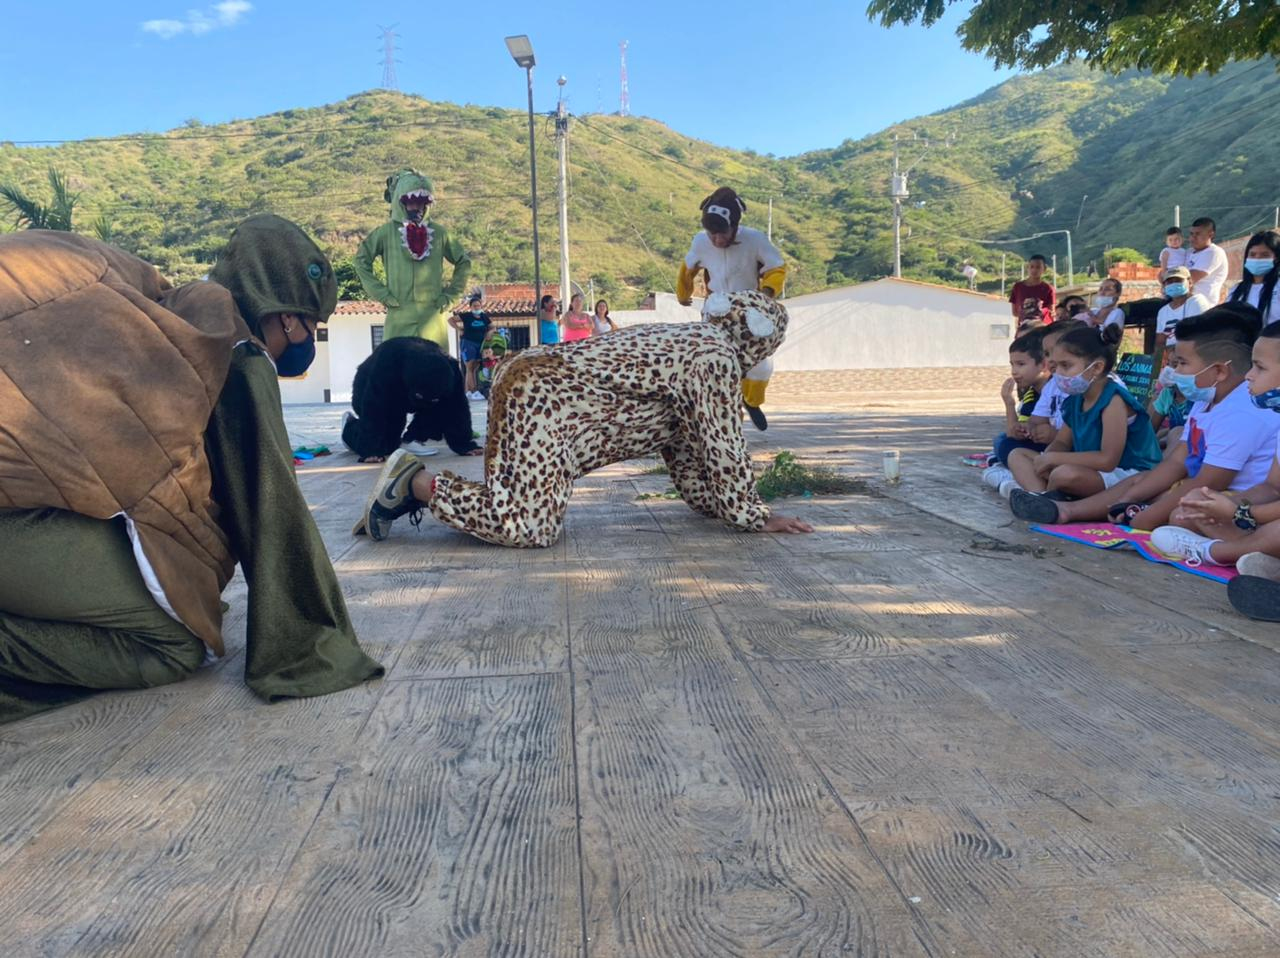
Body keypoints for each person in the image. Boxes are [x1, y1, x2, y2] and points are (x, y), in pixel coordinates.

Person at [0, 216, 383, 724]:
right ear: (289, 319)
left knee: (182, 592)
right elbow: (271, 508)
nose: (308, 339)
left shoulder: (161, 309)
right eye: (314, 326)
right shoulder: (240, 355)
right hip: (15, 522)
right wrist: (306, 638)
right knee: (177, 644)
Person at [355, 290, 814, 547]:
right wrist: (754, 513)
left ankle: (416, 487)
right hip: (542, 397)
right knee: (529, 526)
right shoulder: (713, 357)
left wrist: (720, 507)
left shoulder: (692, 343)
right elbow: (724, 446)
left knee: (515, 506)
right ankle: (415, 483)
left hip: (533, 384)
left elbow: (691, 457)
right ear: (758, 344)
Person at [1011, 306, 1276, 528]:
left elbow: (1208, 482)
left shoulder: (1242, 411)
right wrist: (1127, 500)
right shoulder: (1208, 398)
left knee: (1179, 513)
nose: (1174, 371)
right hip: (1201, 488)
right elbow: (1176, 462)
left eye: (1182, 364)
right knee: (1140, 482)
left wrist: (1143, 519)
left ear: (1218, 371)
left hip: (1231, 498)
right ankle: (1065, 510)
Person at [1145, 322, 1280, 617]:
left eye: (1259, 367)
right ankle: (1264, 565)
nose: (1249, 375)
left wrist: (1239, 513)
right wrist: (1227, 504)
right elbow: (1273, 488)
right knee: (1189, 515)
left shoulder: (1245, 414)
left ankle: (1213, 553)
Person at [1005, 324, 1161, 513]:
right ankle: (1044, 498)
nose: (1057, 373)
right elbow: (1062, 440)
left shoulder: (1113, 401)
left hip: (1129, 474)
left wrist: (1055, 460)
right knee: (1017, 455)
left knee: (1065, 474)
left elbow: (1107, 460)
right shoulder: (1076, 399)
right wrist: (1048, 457)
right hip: (1093, 471)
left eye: (1066, 366)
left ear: (1096, 367)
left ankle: (1048, 498)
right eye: (1056, 365)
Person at [676, 186, 786, 431]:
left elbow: (777, 267)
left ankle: (752, 401)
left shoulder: (755, 239)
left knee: (761, 362)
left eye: (722, 233)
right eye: (711, 233)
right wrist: (683, 293)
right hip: (716, 308)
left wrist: (767, 293)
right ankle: (716, 411)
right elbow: (688, 269)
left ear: (734, 225)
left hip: (749, 308)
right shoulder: (700, 241)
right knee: (713, 359)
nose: (717, 239)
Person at [354, 169, 471, 348]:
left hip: (433, 316)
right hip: (399, 314)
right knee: (394, 366)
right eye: (412, 203)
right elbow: (361, 260)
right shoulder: (385, 233)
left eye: (422, 203)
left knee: (435, 366)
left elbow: (463, 261)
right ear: (400, 202)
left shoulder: (440, 234)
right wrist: (382, 294)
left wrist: (450, 296)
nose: (418, 208)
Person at [341, 337, 482, 464]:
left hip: (416, 390)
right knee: (387, 445)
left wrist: (464, 444)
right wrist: (370, 450)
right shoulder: (388, 364)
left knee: (440, 408)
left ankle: (412, 438)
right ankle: (349, 428)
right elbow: (373, 408)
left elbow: (458, 408)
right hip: (368, 387)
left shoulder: (451, 368)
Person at [983, 328, 1051, 492]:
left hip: (1054, 450)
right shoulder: (1032, 394)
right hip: (1040, 448)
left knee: (1004, 444)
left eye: (1021, 364)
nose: (1014, 371)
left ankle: (1016, 474)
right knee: (1002, 441)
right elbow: (1014, 432)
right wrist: (1009, 403)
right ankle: (1015, 470)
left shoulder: (1054, 390)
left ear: (1043, 365)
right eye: (1012, 365)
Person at [1225, 229, 1280, 327]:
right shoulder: (1236, 290)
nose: (1257, 259)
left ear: (1276, 258)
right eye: (1253, 254)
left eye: (1265, 255)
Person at [1154, 266, 1213, 355]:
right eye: (1169, 282)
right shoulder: (1163, 311)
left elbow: (1198, 337)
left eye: (1178, 280)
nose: (1173, 284)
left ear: (1189, 282)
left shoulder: (1197, 302)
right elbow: (1160, 342)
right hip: (1170, 358)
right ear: (1164, 285)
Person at [449, 290, 490, 398]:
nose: (477, 307)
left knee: (474, 367)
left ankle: (468, 392)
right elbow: (451, 320)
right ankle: (474, 391)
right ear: (471, 307)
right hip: (468, 343)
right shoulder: (466, 316)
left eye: (478, 305)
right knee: (470, 365)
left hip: (479, 344)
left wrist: (489, 332)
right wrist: (459, 329)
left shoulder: (484, 317)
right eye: (474, 306)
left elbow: (492, 326)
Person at [1185, 216, 1229, 303]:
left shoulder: (1214, 252)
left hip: (1203, 306)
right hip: (1184, 304)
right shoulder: (1188, 252)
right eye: (1191, 234)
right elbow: (1164, 274)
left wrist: (1169, 275)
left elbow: (1187, 279)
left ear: (1210, 234)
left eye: (1198, 234)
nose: (1193, 237)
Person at [1008, 254, 1055, 327]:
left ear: (1044, 269)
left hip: (1042, 329)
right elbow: (1015, 312)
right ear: (1028, 268)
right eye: (1032, 267)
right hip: (1024, 328)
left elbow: (1051, 312)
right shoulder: (1018, 287)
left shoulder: (1048, 289)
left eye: (1038, 267)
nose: (1034, 270)